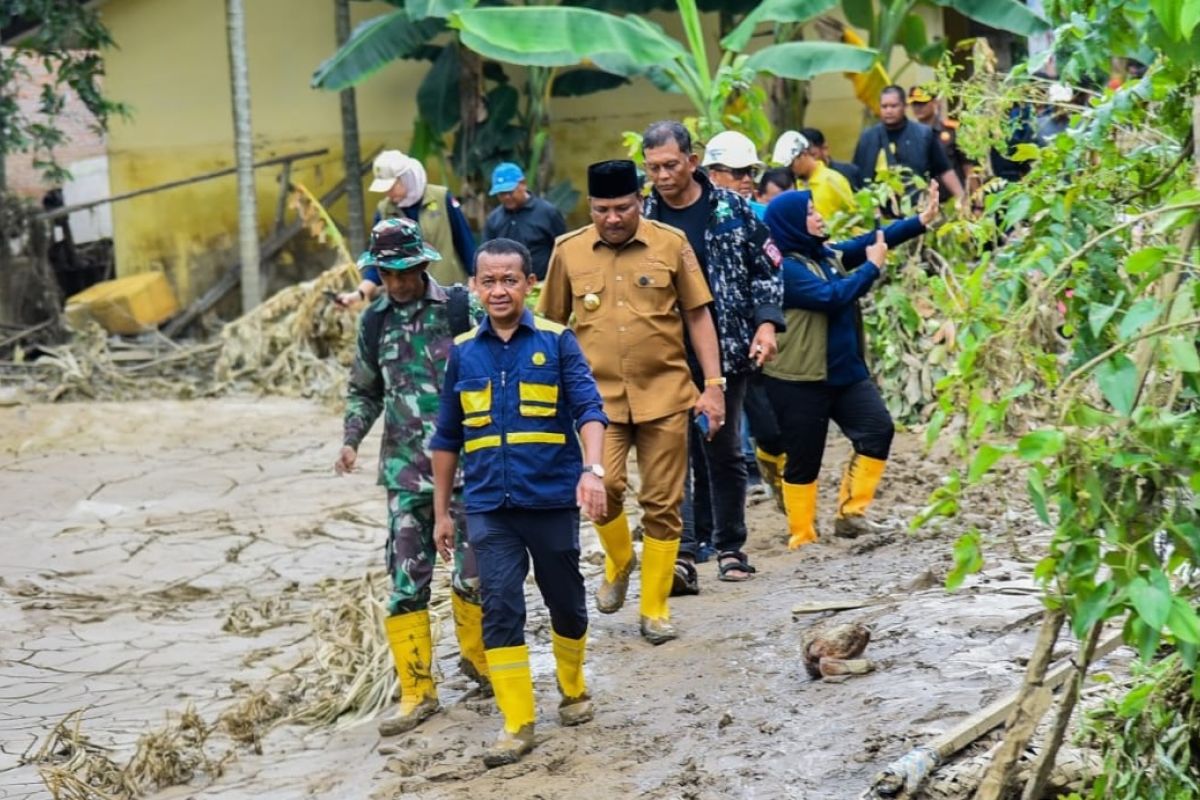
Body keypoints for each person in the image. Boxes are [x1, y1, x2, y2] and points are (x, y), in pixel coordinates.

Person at [430, 238, 608, 768]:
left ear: (530, 283)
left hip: (550, 501)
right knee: (501, 607)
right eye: (489, 281)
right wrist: (442, 511)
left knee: (565, 600)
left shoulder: (557, 342)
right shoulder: (463, 351)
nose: (499, 290)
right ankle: (517, 721)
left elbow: (589, 410)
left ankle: (572, 686)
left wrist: (592, 471)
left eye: (510, 280)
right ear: (474, 288)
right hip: (488, 507)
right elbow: (446, 437)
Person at [538, 159, 725, 644]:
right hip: (596, 403)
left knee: (663, 503)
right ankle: (620, 560)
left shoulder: (670, 244)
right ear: (590, 207)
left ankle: (655, 609)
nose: (613, 218)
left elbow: (698, 315)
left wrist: (713, 384)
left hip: (666, 395)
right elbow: (550, 329)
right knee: (604, 490)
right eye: (602, 209)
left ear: (640, 201)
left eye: (623, 208)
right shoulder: (568, 252)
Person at [334, 217, 487, 736]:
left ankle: (481, 662)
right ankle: (418, 690)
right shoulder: (374, 321)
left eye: (405, 271)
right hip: (404, 475)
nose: (397, 282)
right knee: (405, 584)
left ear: (423, 263)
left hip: (469, 468)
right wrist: (352, 440)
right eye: (387, 272)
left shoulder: (461, 309)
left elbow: (495, 367)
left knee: (474, 576)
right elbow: (365, 389)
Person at [640, 121, 784, 592]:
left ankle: (730, 546)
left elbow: (767, 269)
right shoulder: (641, 220)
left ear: (692, 162)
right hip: (663, 354)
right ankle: (680, 554)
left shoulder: (734, 211)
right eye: (654, 167)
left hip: (727, 349)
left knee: (724, 451)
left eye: (671, 165)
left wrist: (765, 324)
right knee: (670, 453)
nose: (662, 175)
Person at [761, 183, 940, 548]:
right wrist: (871, 269)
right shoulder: (785, 269)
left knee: (877, 431)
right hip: (800, 378)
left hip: (845, 373)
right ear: (793, 223)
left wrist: (920, 220)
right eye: (810, 213)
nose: (819, 216)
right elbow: (831, 296)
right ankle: (802, 535)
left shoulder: (826, 254)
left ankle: (851, 514)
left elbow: (872, 239)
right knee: (804, 460)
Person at [337, 150, 476, 305]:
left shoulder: (441, 198)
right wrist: (360, 293)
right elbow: (379, 259)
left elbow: (465, 242)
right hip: (407, 297)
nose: (388, 193)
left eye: (392, 186)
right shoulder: (384, 210)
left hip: (447, 293)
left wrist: (475, 277)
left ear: (407, 178)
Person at [852, 86, 964, 205]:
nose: (888, 111)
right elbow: (857, 175)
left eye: (894, 106)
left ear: (904, 106)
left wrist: (962, 199)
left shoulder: (923, 134)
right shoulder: (868, 137)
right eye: (884, 106)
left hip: (917, 208)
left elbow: (944, 170)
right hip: (879, 208)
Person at [482, 162, 567, 280]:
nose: (506, 197)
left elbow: (563, 250)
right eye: (501, 194)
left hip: (543, 284)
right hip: (507, 287)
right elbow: (487, 255)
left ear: (523, 184)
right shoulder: (494, 220)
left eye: (510, 192)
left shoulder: (548, 213)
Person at [907, 86, 974, 200]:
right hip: (923, 202)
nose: (918, 108)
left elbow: (968, 167)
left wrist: (977, 202)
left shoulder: (952, 130)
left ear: (935, 103)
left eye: (922, 103)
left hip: (954, 200)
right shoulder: (909, 135)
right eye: (915, 104)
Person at [773, 130, 857, 219]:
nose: (790, 170)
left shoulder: (833, 180)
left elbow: (854, 216)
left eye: (791, 165)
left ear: (804, 154)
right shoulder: (794, 185)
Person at [701, 130, 766, 214]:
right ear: (714, 176)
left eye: (751, 172)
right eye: (738, 172)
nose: (747, 179)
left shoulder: (764, 214)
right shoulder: (699, 214)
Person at [800, 127, 864, 191]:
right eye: (801, 157)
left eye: (812, 155)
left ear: (825, 149)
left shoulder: (849, 173)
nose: (807, 161)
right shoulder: (797, 179)